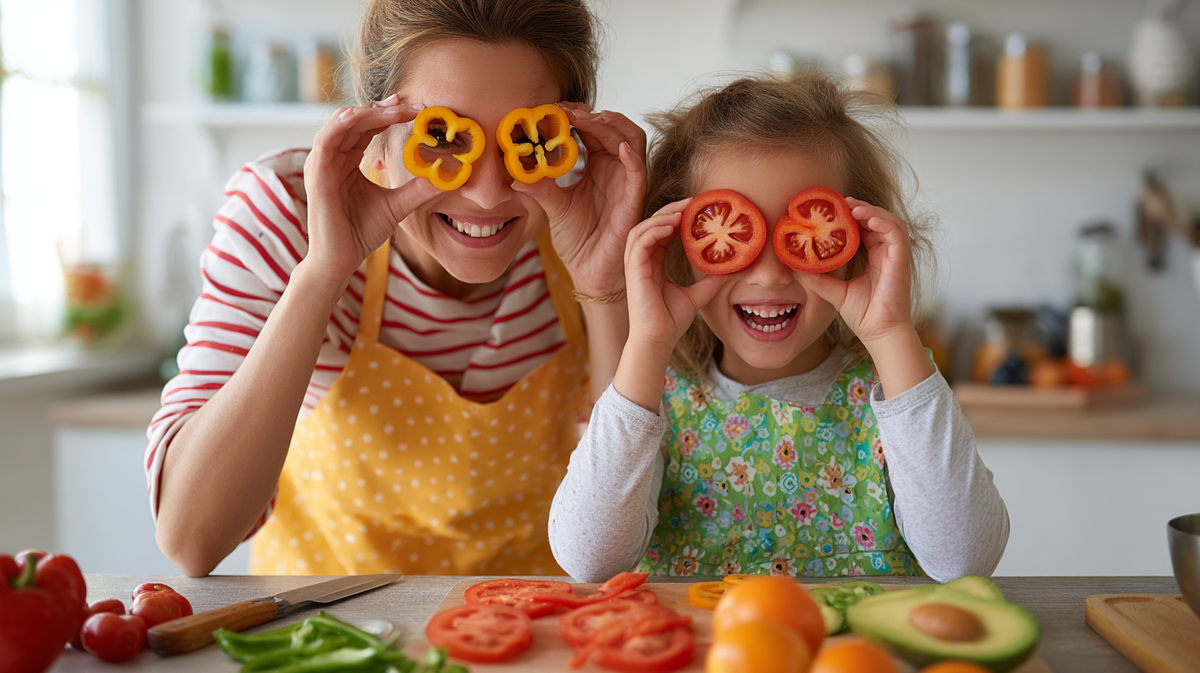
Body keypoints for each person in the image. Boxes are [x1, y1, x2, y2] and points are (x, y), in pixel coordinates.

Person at [146, 0, 647, 577]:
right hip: (331, 641)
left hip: (530, 637)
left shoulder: (599, 211)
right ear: (376, 140)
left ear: (570, 139)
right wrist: (323, 272)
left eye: (522, 140)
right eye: (440, 138)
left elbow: (623, 533)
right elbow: (191, 538)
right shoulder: (289, 215)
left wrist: (605, 285)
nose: (486, 194)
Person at [548, 73, 1009, 582]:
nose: (768, 275)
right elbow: (588, 558)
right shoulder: (652, 403)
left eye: (809, 233)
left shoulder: (895, 397)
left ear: (859, 244)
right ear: (677, 246)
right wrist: (648, 343)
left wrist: (890, 333)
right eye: (728, 236)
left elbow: (966, 560)